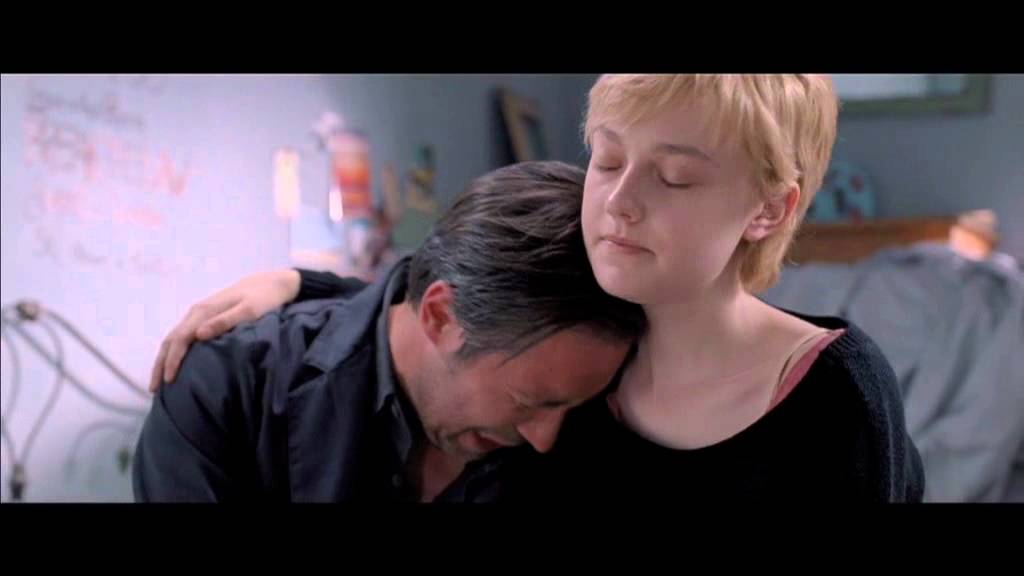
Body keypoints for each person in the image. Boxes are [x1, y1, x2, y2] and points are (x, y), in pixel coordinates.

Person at [150, 75, 925, 502]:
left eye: (675, 176)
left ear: (770, 210)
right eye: (606, 160)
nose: (619, 202)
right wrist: (295, 282)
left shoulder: (834, 392)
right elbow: (455, 278)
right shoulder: (592, 353)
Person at [132, 161, 647, 502]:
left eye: (571, 406)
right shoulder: (225, 392)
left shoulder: (596, 415)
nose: (544, 438)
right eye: (528, 401)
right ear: (440, 317)